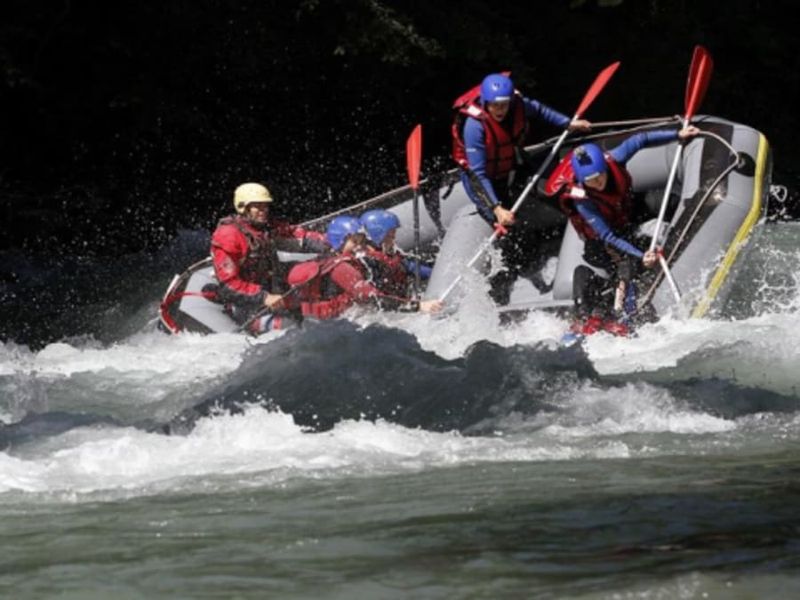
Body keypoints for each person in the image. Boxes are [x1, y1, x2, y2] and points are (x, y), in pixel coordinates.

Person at [451, 72, 592, 304]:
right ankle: (499, 293)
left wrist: (568, 123)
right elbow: (478, 173)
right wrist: (496, 208)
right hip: (481, 180)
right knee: (506, 232)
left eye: (504, 104)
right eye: (496, 105)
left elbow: (539, 110)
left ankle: (550, 250)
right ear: (486, 103)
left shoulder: (517, 105)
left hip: (510, 164)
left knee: (547, 192)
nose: (501, 110)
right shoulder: (474, 127)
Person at [548, 125, 701, 331]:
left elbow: (640, 139)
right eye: (591, 181)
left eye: (600, 176)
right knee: (627, 266)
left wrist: (676, 134)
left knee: (667, 204)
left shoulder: (615, 158)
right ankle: (609, 312)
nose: (598, 183)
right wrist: (640, 254)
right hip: (602, 241)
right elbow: (608, 235)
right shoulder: (582, 201)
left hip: (625, 215)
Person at [210, 182, 327, 333]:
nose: (263, 211)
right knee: (289, 328)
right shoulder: (229, 235)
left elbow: (297, 235)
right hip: (246, 305)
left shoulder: (266, 227)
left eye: (265, 206)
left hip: (274, 290)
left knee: (314, 309)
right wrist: (263, 297)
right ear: (243, 208)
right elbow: (228, 285)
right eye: (257, 206)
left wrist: (331, 243)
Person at [286, 216, 443, 320]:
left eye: (362, 241)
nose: (360, 247)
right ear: (340, 242)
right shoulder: (341, 268)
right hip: (334, 324)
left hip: (336, 321)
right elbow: (373, 298)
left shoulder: (351, 261)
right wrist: (418, 306)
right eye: (354, 242)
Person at [359, 209, 432, 298]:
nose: (394, 238)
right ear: (378, 235)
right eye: (391, 234)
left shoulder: (387, 255)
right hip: (390, 303)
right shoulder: (369, 262)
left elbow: (409, 266)